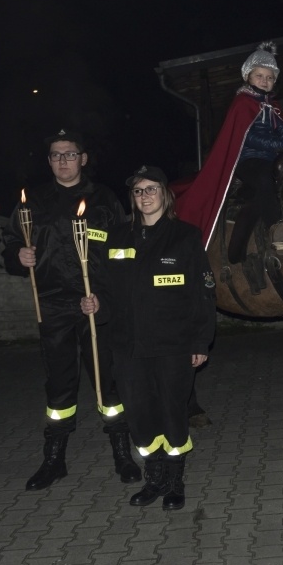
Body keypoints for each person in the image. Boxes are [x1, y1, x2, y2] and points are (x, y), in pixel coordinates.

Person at [2, 128, 141, 491]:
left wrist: (107, 299)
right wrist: (18, 256)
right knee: (59, 385)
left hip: (96, 304)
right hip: (52, 304)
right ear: (49, 161)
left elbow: (123, 252)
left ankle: (122, 454)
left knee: (107, 382)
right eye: (55, 155)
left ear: (83, 158)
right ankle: (54, 459)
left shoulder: (105, 199)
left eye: (69, 154)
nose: (62, 161)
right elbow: (12, 242)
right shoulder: (31, 201)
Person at [81, 165, 216, 510]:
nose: (145, 196)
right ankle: (153, 478)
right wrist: (96, 303)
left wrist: (200, 341)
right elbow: (108, 291)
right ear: (133, 198)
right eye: (138, 191)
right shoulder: (117, 237)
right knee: (140, 415)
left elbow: (203, 294)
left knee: (172, 412)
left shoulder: (185, 236)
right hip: (127, 346)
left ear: (165, 194)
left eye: (151, 188)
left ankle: (174, 481)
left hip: (173, 345)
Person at [174, 41, 283, 260]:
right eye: (260, 76)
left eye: (269, 77)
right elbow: (246, 137)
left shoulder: (273, 105)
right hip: (248, 159)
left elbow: (282, 133)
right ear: (248, 76)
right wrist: (281, 143)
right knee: (264, 179)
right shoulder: (242, 103)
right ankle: (277, 229)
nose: (265, 81)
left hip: (274, 158)